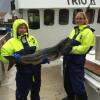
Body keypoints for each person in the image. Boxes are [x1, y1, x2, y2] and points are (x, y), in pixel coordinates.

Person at [1, 19, 48, 100]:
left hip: (36, 71)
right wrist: (13, 57)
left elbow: (37, 52)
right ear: (16, 29)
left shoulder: (32, 38)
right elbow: (2, 55)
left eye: (24, 27)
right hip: (23, 73)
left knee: (35, 91)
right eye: (20, 28)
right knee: (21, 94)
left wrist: (42, 59)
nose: (23, 30)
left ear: (27, 28)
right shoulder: (11, 42)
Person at [62, 12, 95, 100]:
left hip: (77, 62)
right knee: (67, 83)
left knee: (78, 86)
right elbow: (68, 42)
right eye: (77, 18)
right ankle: (70, 97)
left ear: (85, 20)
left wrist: (70, 49)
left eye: (81, 18)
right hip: (67, 60)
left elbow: (85, 48)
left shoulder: (88, 32)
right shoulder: (74, 30)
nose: (79, 20)